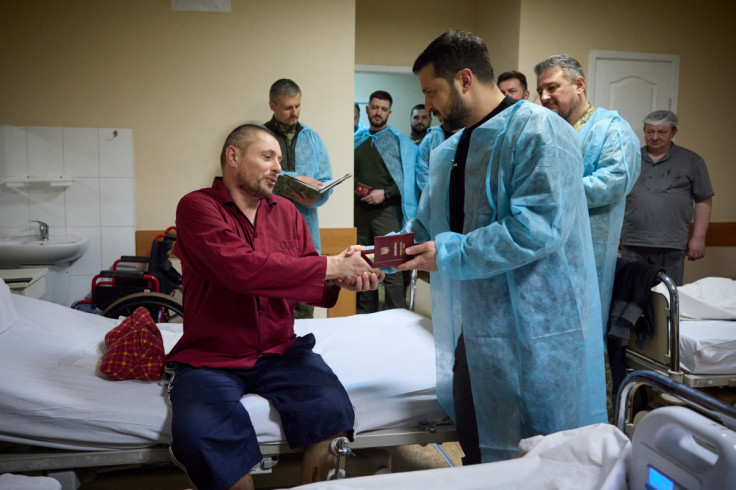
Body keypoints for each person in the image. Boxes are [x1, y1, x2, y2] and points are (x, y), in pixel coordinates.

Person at [397, 30, 606, 464]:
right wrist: (380, 257)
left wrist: (449, 253)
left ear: (465, 79)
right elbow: (426, 224)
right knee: (477, 436)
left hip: (539, 326)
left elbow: (538, 227)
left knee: (541, 446)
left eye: (432, 92)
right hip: (477, 325)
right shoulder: (448, 150)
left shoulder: (541, 133)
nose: (429, 106)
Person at [166, 124, 383, 490]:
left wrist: (342, 277)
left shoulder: (287, 212)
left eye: (279, 159)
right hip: (212, 357)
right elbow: (242, 270)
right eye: (267, 157)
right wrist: (329, 266)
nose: (277, 167)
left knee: (333, 411)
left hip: (280, 351)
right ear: (233, 157)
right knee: (199, 433)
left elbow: (306, 281)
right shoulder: (197, 207)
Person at [534, 55, 641, 326]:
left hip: (587, 254)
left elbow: (615, 181)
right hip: (542, 251)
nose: (544, 96)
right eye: (540, 91)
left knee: (582, 326)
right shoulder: (546, 131)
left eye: (552, 87)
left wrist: (549, 192)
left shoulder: (611, 129)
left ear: (579, 84)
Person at [264, 79, 334, 319]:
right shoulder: (260, 137)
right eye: (287, 108)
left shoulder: (312, 138)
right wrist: (295, 177)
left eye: (298, 106)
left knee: (306, 292)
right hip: (269, 224)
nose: (294, 112)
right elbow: (256, 174)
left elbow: (325, 179)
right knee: (273, 294)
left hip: (306, 224)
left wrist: (315, 199)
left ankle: (302, 347)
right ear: (272, 105)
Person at [621, 110, 714, 285]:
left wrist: (699, 238)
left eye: (661, 132)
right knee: (631, 294)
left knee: (666, 298)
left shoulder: (691, 161)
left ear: (673, 132)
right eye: (650, 131)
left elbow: (704, 200)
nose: (655, 137)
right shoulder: (630, 158)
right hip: (633, 241)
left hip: (671, 244)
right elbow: (617, 198)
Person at [354, 90, 419, 313]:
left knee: (391, 265)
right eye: (374, 107)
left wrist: (386, 193)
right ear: (367, 109)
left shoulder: (399, 142)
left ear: (389, 112)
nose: (378, 112)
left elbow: (409, 180)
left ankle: (396, 314)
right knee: (362, 264)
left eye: (383, 109)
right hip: (359, 213)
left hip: (388, 213)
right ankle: (365, 315)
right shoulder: (357, 141)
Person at [415, 115, 459, 192]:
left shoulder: (470, 135)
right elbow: (421, 170)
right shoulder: (431, 138)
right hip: (435, 195)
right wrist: (433, 193)